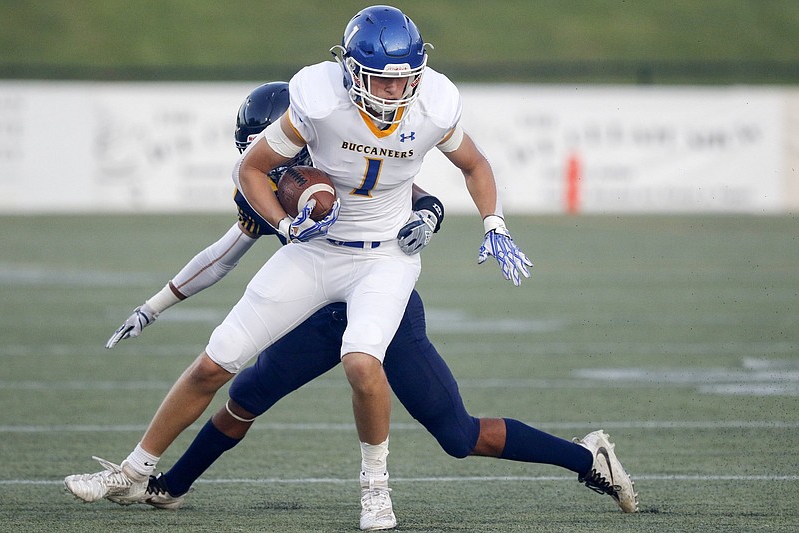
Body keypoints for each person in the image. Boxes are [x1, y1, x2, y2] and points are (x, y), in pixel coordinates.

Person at [63, 5, 635, 529]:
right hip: (315, 267)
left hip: (381, 269)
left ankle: (568, 459)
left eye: (400, 78)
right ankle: (145, 478)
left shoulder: (430, 103)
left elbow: (435, 185)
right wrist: (165, 299)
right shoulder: (309, 126)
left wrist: (482, 221)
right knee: (228, 377)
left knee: (445, 426)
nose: (390, 91)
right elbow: (236, 225)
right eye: (379, 78)